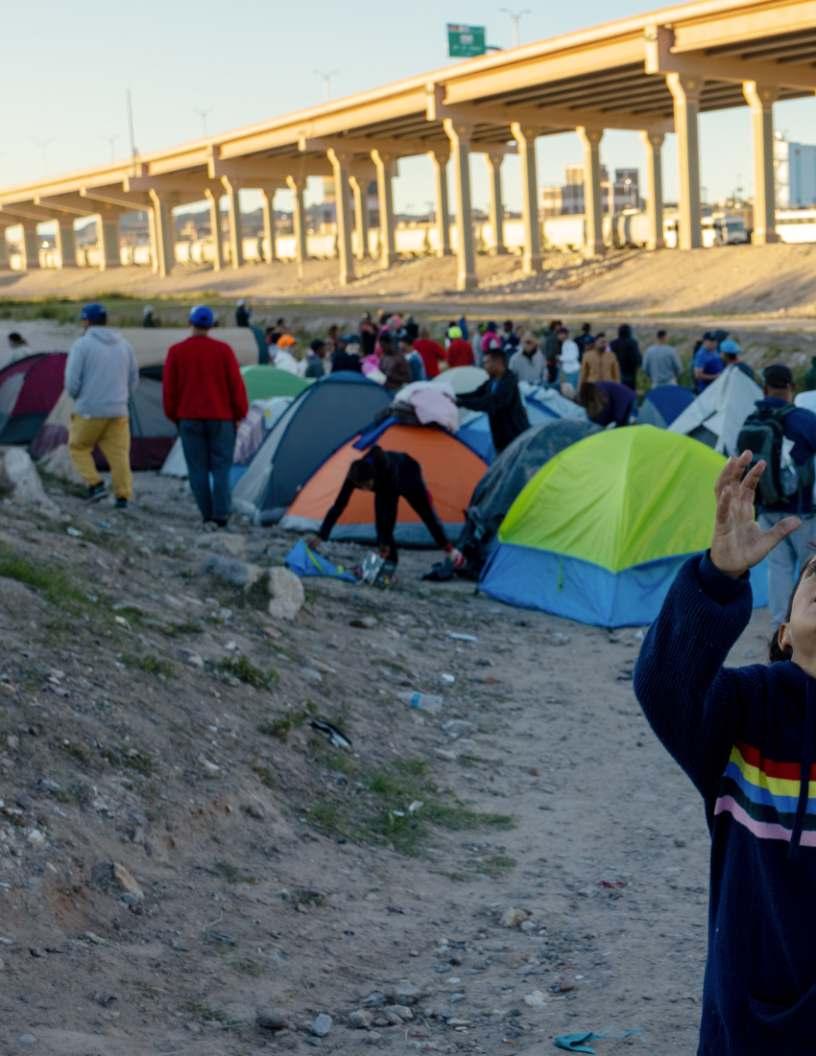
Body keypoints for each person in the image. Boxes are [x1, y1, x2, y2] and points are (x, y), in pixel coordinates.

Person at [633, 449, 816, 1056]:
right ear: (784, 632)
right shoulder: (747, 709)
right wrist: (718, 577)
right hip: (747, 1024)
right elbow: (665, 684)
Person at [737, 363, 816, 628]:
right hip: (802, 512)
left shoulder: (752, 420)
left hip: (767, 509)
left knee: (778, 570)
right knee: (810, 570)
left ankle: (779, 630)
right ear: (791, 387)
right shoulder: (804, 419)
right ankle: (807, 627)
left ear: (764, 388)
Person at [309, 445, 464, 570]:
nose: (366, 489)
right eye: (362, 487)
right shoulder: (353, 477)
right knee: (380, 526)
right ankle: (390, 563)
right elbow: (339, 505)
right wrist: (322, 535)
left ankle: (450, 550)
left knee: (426, 514)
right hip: (384, 485)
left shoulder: (386, 470)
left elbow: (390, 511)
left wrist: (385, 541)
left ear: (373, 477)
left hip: (408, 473)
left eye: (368, 485)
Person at [163, 305, 248, 530]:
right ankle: (221, 515)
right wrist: (240, 413)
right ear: (211, 325)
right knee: (221, 468)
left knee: (197, 469)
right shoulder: (223, 351)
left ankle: (207, 515)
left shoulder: (176, 351)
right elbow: (236, 386)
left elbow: (169, 390)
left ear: (189, 323)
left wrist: (175, 416)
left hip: (188, 418)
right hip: (221, 418)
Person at [66, 302, 138, 508]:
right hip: (118, 410)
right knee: (119, 454)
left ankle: (95, 484)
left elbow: (72, 382)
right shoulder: (124, 345)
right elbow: (134, 379)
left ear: (86, 321)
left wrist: (79, 397)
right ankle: (123, 496)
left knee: (78, 447)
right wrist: (122, 398)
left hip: (89, 410)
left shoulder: (82, 345)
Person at [457, 347, 529, 454]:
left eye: (486, 362)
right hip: (500, 437)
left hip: (515, 437)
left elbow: (491, 402)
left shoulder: (509, 382)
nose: (484, 366)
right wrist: (454, 396)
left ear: (497, 363)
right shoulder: (492, 381)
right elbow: (476, 394)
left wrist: (461, 403)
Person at [610, 323, 641, 391]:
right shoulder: (632, 343)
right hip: (630, 374)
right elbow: (636, 359)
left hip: (615, 374)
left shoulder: (613, 343)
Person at [543, 320, 562, 385]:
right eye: (558, 326)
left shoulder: (551, 334)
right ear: (555, 326)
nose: (560, 327)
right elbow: (550, 349)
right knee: (551, 379)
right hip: (551, 361)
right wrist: (549, 359)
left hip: (553, 360)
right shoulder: (552, 336)